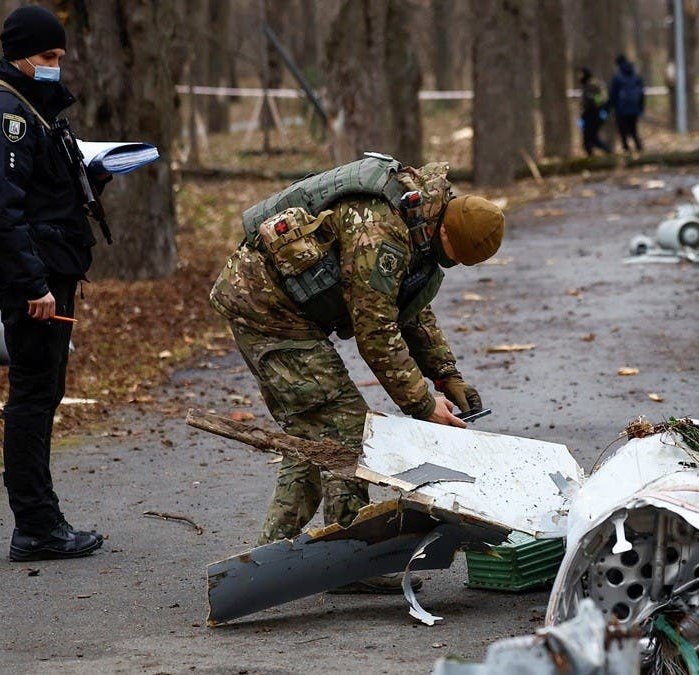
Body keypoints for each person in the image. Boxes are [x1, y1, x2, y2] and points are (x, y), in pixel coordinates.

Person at [210, 155, 504, 593]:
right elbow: (376, 330)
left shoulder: (420, 216)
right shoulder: (381, 231)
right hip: (266, 310)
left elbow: (410, 306)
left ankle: (275, 562)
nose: (451, 264)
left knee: (315, 436)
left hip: (291, 311)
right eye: (454, 257)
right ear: (445, 230)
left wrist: (446, 375)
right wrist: (423, 405)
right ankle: (345, 561)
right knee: (346, 428)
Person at [0, 5, 110, 562]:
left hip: (51, 268)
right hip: (36, 278)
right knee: (31, 395)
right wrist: (32, 285)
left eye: (59, 57)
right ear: (21, 53)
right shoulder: (6, 112)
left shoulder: (32, 105)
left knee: (43, 392)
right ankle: (36, 526)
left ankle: (42, 519)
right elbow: (0, 210)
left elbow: (42, 188)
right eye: (48, 57)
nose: (55, 66)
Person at [608, 54, 646, 153]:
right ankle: (639, 149)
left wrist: (609, 108)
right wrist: (641, 108)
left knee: (622, 132)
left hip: (621, 110)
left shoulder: (617, 78)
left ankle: (626, 150)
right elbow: (642, 94)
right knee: (634, 131)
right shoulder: (636, 77)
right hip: (634, 109)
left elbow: (613, 95)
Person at [579, 67, 611, 156]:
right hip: (588, 115)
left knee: (591, 139)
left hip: (594, 115)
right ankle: (594, 156)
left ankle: (607, 153)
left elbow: (601, 100)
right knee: (590, 140)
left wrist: (593, 102)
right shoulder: (587, 85)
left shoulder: (593, 85)